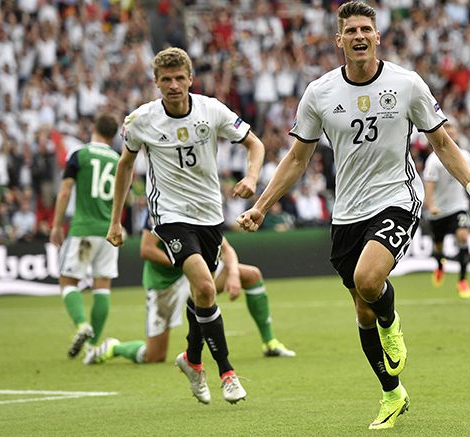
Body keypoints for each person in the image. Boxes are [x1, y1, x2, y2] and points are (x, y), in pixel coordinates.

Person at [237, 2, 470, 430]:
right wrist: (262, 205)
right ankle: (392, 393)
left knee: (369, 280)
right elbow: (298, 159)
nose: (359, 36)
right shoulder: (319, 92)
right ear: (338, 40)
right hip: (347, 211)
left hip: (397, 197)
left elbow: (444, 144)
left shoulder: (407, 84)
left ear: (377, 36)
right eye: (350, 30)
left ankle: (392, 323)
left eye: (366, 29)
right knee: (361, 309)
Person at [107, 47, 265, 405]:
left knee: (202, 295)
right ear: (156, 83)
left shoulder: (212, 110)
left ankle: (192, 360)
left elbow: (254, 145)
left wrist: (252, 178)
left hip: (209, 214)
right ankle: (227, 372)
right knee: (207, 286)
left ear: (191, 79)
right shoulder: (140, 121)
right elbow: (125, 167)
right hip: (170, 216)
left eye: (180, 78)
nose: (174, 85)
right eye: (166, 80)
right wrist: (116, 220)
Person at [85, 218, 296, 386]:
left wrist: (232, 274)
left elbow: (227, 249)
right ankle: (114, 348)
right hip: (165, 284)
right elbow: (146, 249)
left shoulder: (199, 204)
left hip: (196, 273)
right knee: (154, 355)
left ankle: (269, 343)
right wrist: (185, 261)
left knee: (251, 275)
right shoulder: (159, 206)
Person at [49, 113, 120, 359]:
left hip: (83, 228)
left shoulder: (79, 154)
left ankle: (81, 325)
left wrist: (57, 225)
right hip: (110, 231)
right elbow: (125, 197)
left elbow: (66, 190)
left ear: (94, 128)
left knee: (68, 281)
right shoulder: (119, 159)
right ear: (114, 135)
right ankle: (93, 346)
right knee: (103, 286)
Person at [423, 120, 470, 298]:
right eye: (446, 128)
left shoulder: (465, 156)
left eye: (452, 128)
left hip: (459, 206)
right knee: (438, 246)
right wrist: (431, 205)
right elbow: (429, 184)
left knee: (463, 236)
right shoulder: (433, 160)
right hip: (439, 210)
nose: (450, 131)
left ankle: (462, 281)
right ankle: (440, 266)